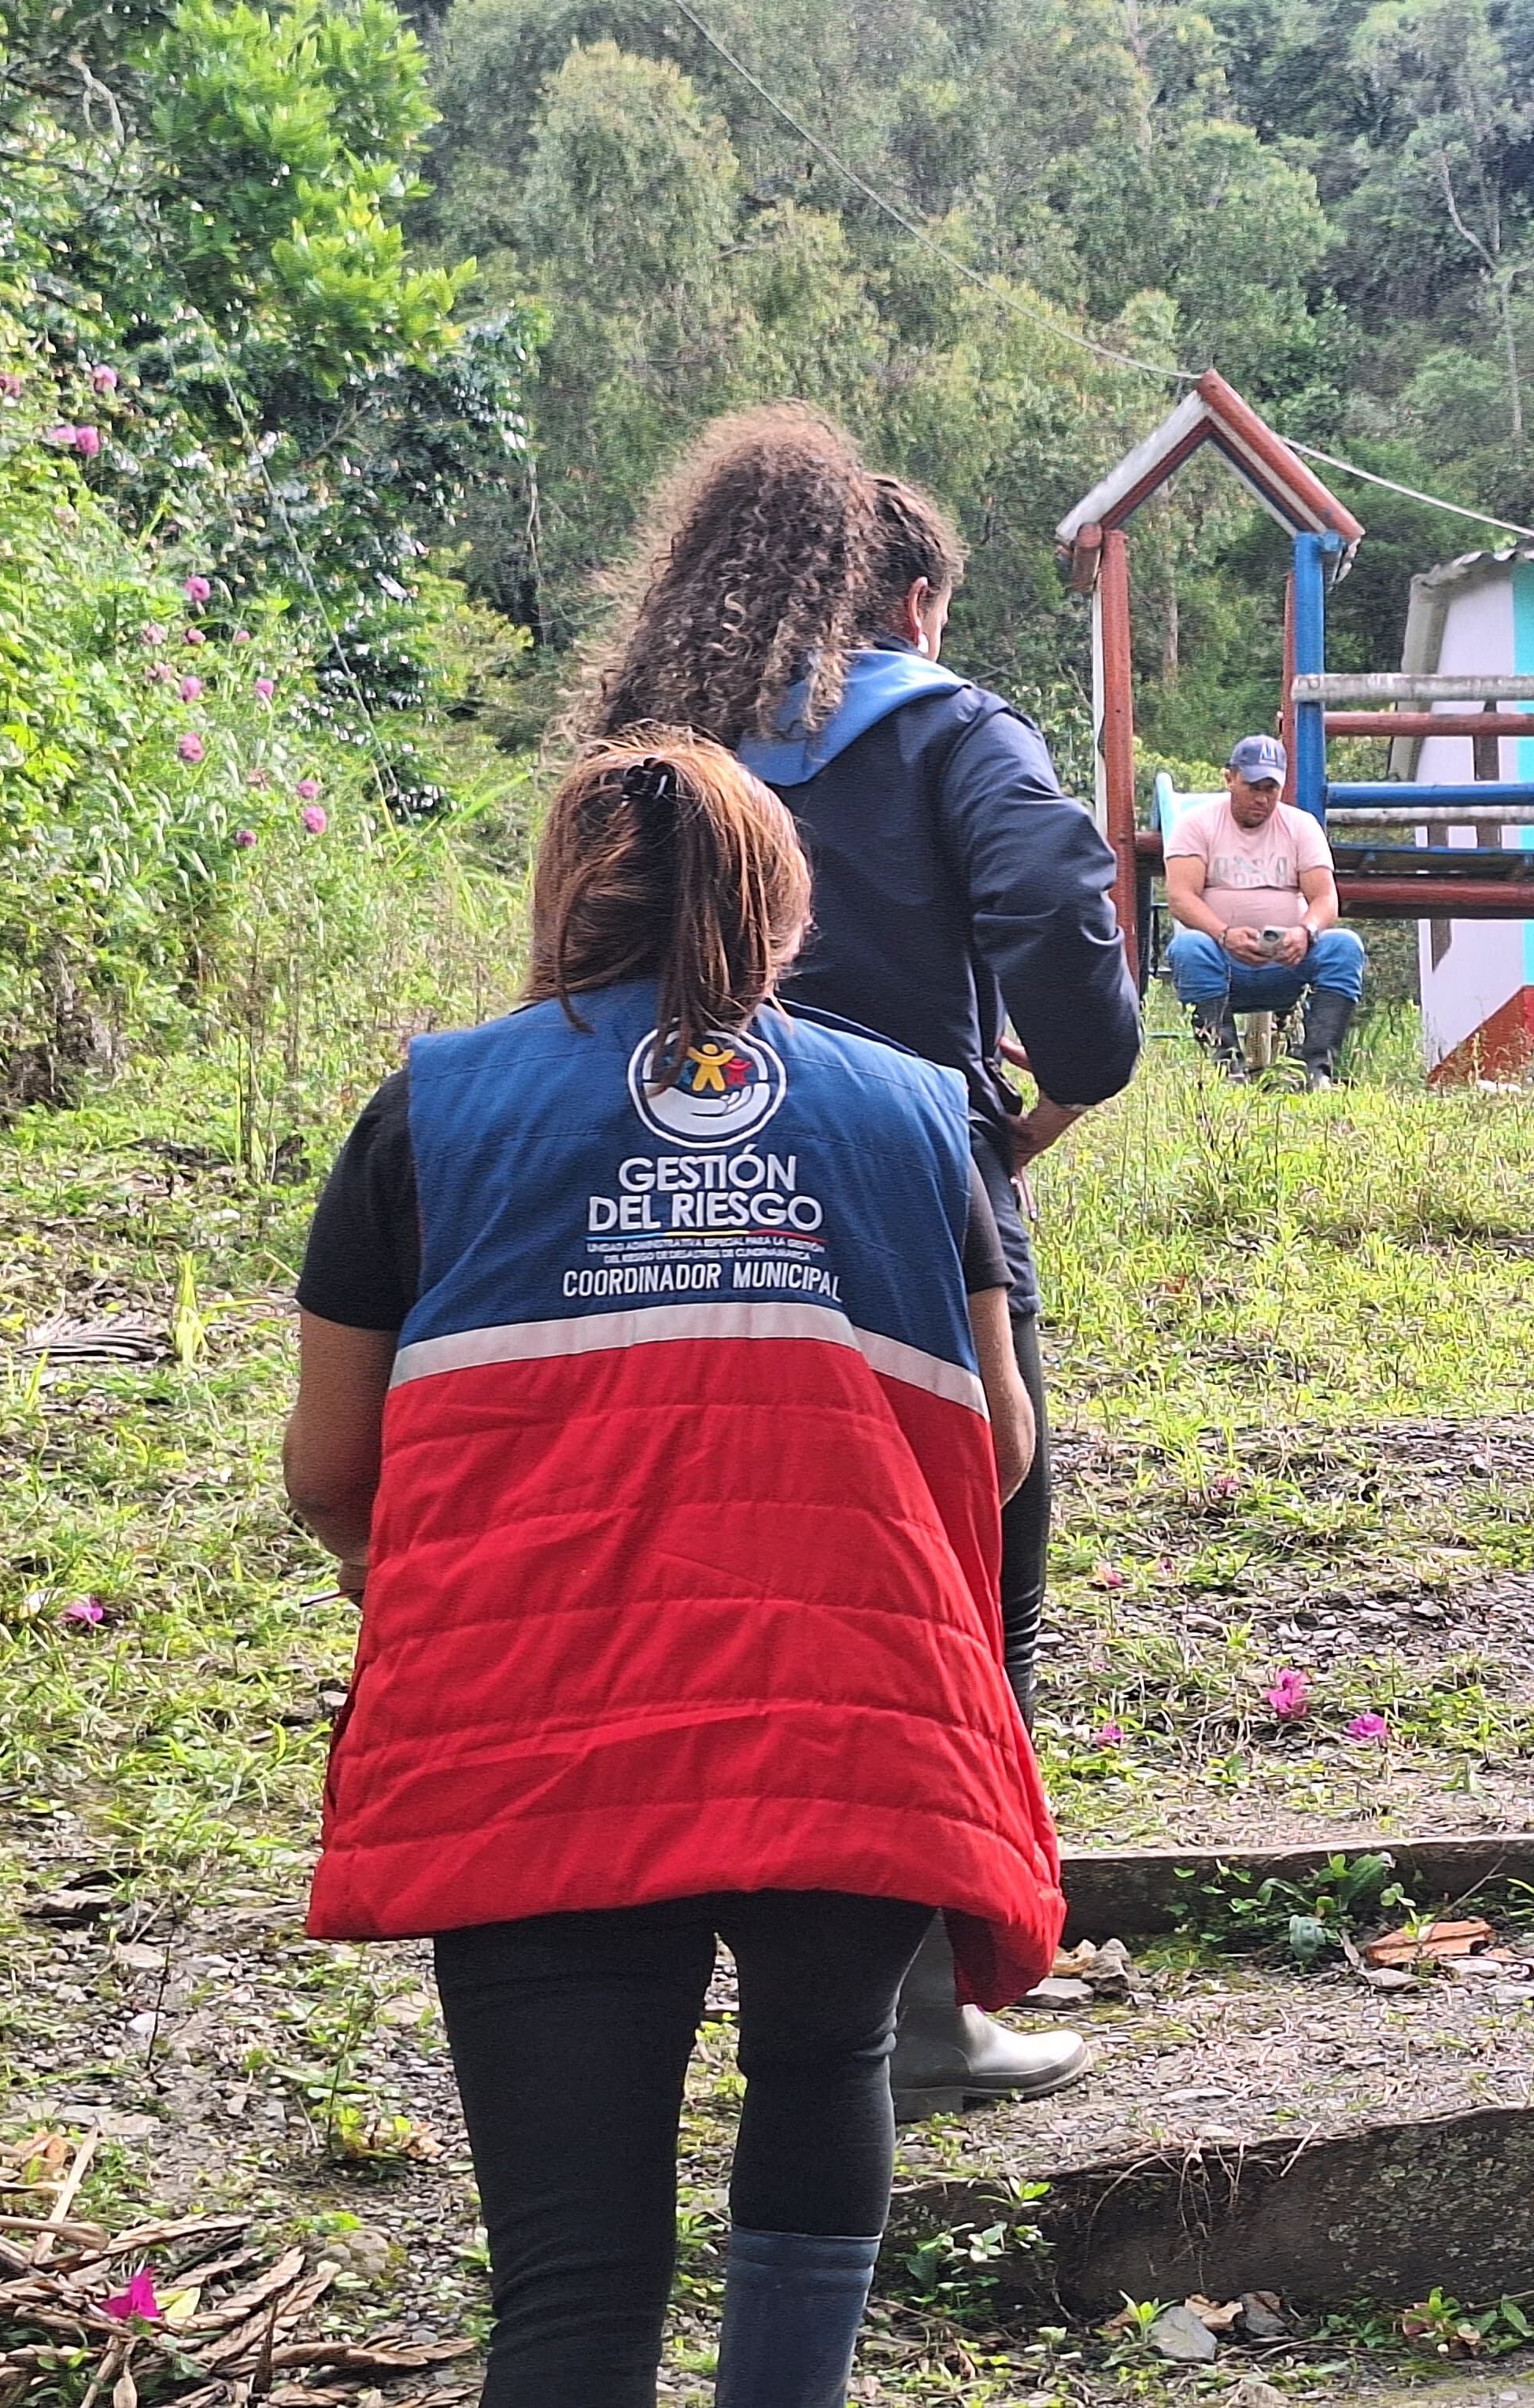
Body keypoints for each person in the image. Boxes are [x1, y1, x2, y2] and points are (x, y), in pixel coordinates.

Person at [283, 736, 1062, 2408]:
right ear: (785, 914)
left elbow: (329, 1471)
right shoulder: (929, 1116)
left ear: (568, 897)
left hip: (532, 1722)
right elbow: (997, 1447)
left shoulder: (431, 1111)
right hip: (850, 1712)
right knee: (825, 2060)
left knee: (572, 2277)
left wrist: (431, 1568)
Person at [575, 409, 1138, 2114]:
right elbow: (1057, 901)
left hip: (664, 1196)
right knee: (964, 1585)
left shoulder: (652, 742)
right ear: (906, 602)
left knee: (701, 1587)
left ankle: (674, 2010)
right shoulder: (945, 727)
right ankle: (921, 2013)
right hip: (908, 1205)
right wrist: (1069, 1086)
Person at [1164, 731, 1366, 1083]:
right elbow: (1181, 897)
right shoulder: (1196, 825)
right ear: (1230, 779)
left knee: (1345, 946)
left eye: (1270, 789)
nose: (1261, 798)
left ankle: (1317, 1070)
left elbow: (1325, 898)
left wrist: (1306, 932)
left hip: (1289, 962)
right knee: (1188, 948)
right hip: (1223, 962)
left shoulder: (1301, 826)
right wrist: (1224, 935)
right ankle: (1226, 1067)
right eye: (1253, 786)